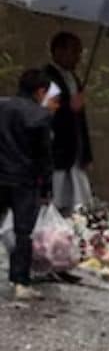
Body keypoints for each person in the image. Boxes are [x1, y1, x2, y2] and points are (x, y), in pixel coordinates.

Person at [0, 69, 58, 300]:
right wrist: (46, 189)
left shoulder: (1, 106)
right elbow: (44, 157)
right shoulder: (40, 116)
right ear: (40, 91)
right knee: (23, 231)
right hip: (24, 181)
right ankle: (20, 282)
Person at [44, 32, 93, 212]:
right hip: (57, 149)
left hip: (74, 149)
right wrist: (67, 107)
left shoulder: (74, 79)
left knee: (77, 203)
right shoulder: (47, 78)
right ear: (58, 51)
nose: (78, 58)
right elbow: (45, 111)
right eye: (74, 52)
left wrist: (87, 153)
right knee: (56, 199)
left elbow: (81, 119)